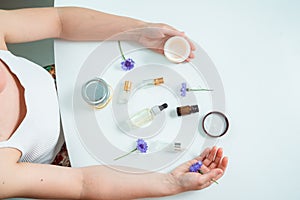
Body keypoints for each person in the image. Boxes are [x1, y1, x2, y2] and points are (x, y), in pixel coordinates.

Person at [0, 6, 228, 199]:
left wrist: (137, 32)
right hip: (70, 154)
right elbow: (83, 184)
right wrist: (171, 183)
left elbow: (59, 21)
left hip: (69, 85)